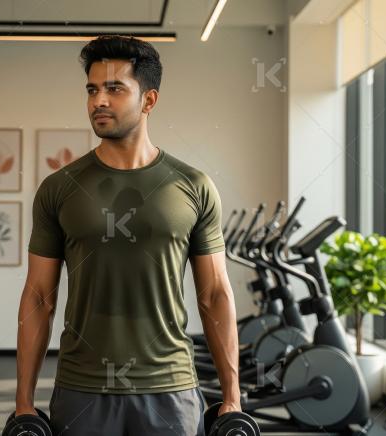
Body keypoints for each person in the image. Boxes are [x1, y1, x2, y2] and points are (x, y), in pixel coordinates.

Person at [15, 35, 241, 435]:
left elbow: (215, 295)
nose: (99, 100)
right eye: (92, 89)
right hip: (82, 388)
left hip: (169, 386)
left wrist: (232, 397)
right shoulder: (59, 188)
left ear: (149, 100)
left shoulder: (193, 185)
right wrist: (24, 403)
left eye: (115, 89)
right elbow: (38, 297)